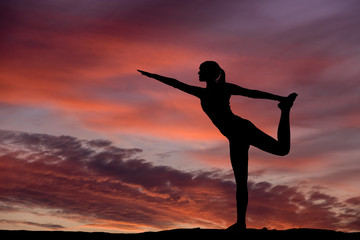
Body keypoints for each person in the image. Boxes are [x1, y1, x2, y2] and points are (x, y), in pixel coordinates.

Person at [137, 61, 297, 231]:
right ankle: (241, 223)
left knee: (282, 150)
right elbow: (175, 83)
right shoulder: (201, 92)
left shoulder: (224, 88)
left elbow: (252, 93)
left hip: (242, 129)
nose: (197, 73)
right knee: (241, 181)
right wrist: (152, 75)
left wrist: (279, 98)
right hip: (235, 137)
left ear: (210, 73)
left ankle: (285, 109)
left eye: (201, 71)